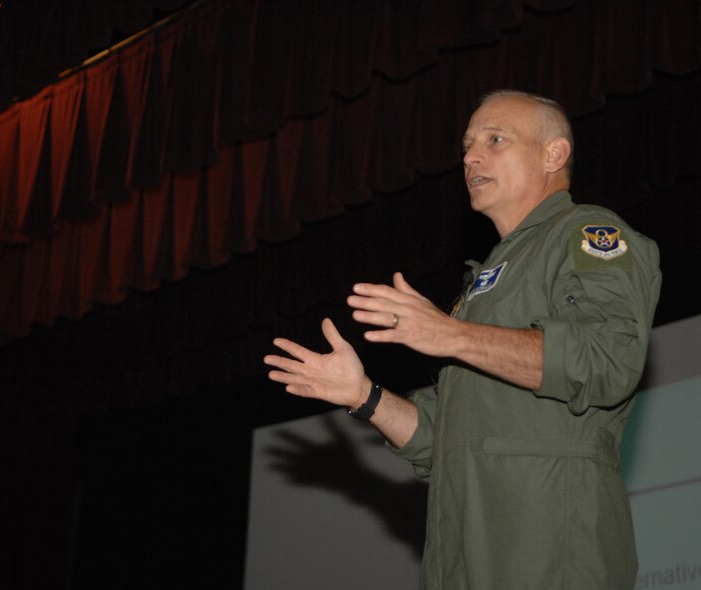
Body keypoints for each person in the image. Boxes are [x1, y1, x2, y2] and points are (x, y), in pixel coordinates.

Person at [263, 90, 662, 590]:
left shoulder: (587, 232)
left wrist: (451, 334)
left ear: (553, 154)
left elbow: (607, 358)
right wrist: (365, 397)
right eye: (468, 146)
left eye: (496, 140)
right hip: (462, 555)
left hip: (548, 548)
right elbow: (441, 441)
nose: (471, 156)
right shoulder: (488, 278)